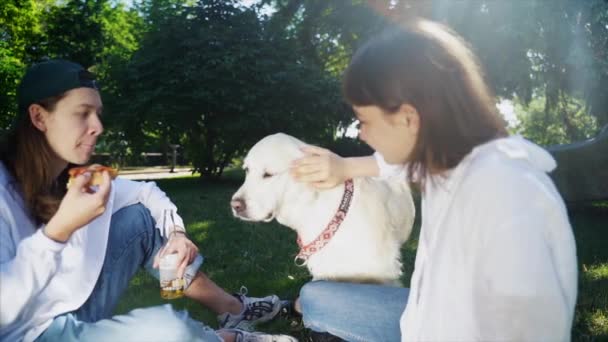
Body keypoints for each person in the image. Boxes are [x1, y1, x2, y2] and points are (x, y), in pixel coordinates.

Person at [290, 18, 577, 341]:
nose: (361, 133)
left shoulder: (506, 191)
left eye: (365, 120)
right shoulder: (447, 162)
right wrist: (342, 167)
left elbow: (534, 331)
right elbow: (389, 165)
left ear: (409, 118)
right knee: (316, 296)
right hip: (423, 318)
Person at [0, 59, 295, 342]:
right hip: (29, 334)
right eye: (82, 113)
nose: (98, 126)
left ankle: (233, 310)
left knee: (141, 219)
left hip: (67, 307)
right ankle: (224, 338)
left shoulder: (75, 179)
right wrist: (59, 231)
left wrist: (177, 235)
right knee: (170, 329)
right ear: (39, 117)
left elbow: (146, 193)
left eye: (98, 113)